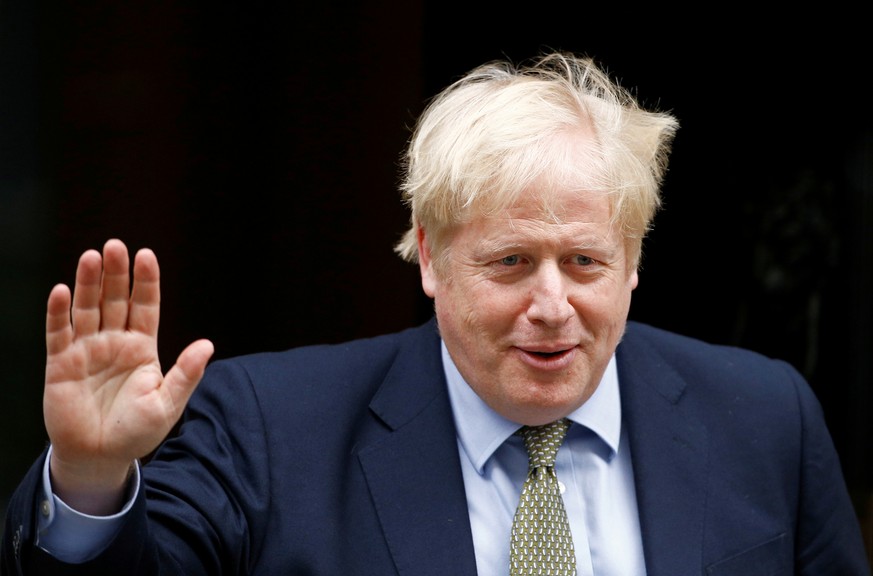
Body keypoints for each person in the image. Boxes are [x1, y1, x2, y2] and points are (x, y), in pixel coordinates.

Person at [1, 51, 868, 575]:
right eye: (511, 263)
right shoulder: (272, 428)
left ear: (634, 263)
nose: (552, 306)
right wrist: (89, 477)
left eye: (585, 262)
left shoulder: (764, 417)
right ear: (431, 256)